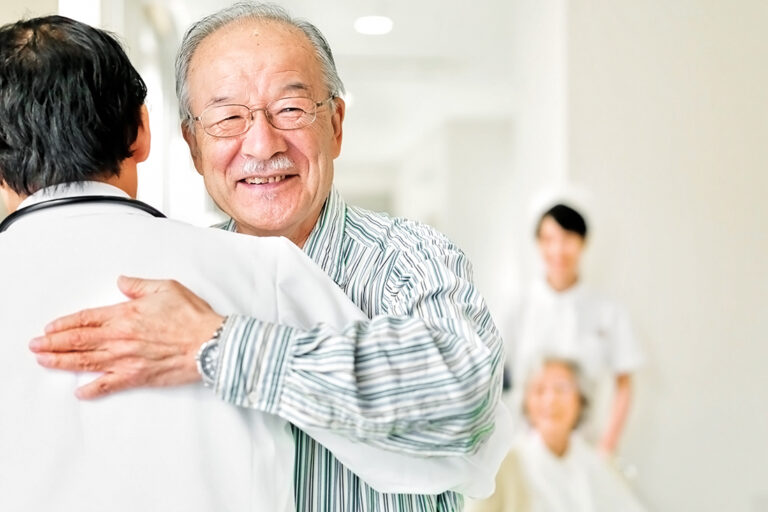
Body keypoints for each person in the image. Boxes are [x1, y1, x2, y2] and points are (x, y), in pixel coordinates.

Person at [0, 14, 506, 512]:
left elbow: (467, 410)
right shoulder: (169, 277)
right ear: (190, 144)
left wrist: (219, 344)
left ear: (335, 124)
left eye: (290, 109)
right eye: (227, 118)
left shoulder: (408, 259)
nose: (262, 144)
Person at [505, 203, 644, 453]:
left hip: (584, 447)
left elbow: (624, 382)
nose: (558, 249)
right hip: (526, 445)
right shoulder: (518, 308)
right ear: (538, 244)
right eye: (549, 239)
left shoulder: (607, 312)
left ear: (583, 242)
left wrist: (607, 447)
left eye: (568, 238)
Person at [468, 358, 647, 512]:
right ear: (527, 404)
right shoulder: (503, 465)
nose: (550, 399)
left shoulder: (596, 464)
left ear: (581, 401)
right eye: (539, 390)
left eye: (561, 389)